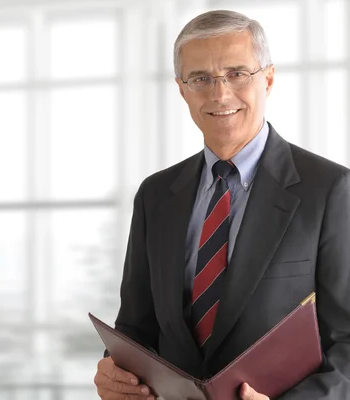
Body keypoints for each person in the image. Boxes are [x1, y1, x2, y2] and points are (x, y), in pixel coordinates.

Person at [93, 9, 350, 400]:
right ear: (182, 90)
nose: (219, 94)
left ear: (268, 78)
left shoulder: (330, 189)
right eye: (201, 79)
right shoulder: (156, 195)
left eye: (236, 74)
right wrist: (116, 373)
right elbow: (136, 327)